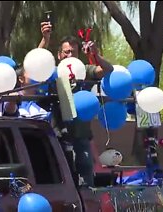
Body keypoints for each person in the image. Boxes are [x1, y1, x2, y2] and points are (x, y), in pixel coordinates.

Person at [38, 21, 114, 187]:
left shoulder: (84, 70)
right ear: (59, 55)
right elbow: (35, 64)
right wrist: (45, 39)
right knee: (62, 176)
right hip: (58, 134)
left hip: (81, 134)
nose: (69, 55)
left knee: (86, 175)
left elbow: (108, 70)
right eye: (66, 52)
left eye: (73, 52)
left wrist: (96, 54)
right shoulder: (53, 71)